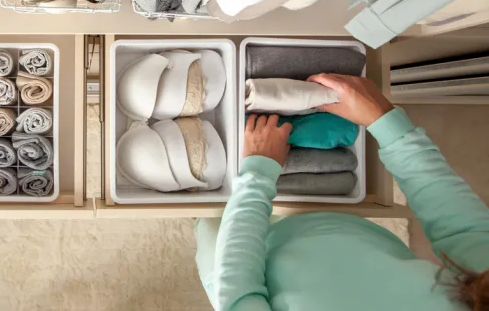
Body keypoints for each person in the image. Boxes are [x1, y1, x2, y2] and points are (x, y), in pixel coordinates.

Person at [195, 73, 489, 311]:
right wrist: (384, 120)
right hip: (345, 233)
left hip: (235, 264)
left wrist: (258, 175)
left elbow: (236, 296)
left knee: (207, 219)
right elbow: (460, 226)